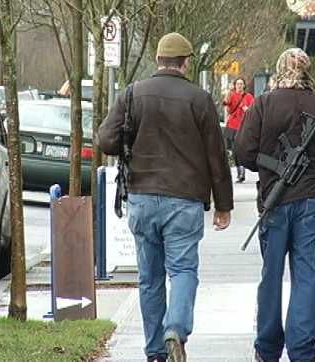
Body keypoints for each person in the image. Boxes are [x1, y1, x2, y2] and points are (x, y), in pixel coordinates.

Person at [98, 32, 234, 362]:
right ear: (186, 62)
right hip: (184, 200)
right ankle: (176, 328)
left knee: (150, 279)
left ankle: (156, 351)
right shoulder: (199, 99)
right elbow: (217, 155)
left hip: (142, 198)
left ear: (159, 60)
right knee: (183, 271)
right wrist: (223, 205)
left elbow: (105, 140)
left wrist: (132, 142)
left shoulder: (132, 95)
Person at [235, 48, 315, 362]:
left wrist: (269, 165)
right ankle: (302, 351)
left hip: (274, 205)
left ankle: (267, 349)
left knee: (271, 275)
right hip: (313, 203)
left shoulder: (263, 105)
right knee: (308, 277)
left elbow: (244, 154)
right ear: (307, 73)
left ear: (279, 71)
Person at [223, 77, 254, 183]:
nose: (239, 86)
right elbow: (226, 104)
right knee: (234, 150)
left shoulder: (248, 97)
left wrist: (247, 110)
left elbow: (253, 111)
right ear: (235, 85)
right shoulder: (231, 95)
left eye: (241, 84)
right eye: (238, 84)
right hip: (232, 125)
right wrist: (226, 118)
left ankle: (242, 172)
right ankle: (239, 171)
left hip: (243, 126)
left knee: (241, 149)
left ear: (244, 85)